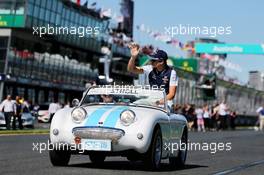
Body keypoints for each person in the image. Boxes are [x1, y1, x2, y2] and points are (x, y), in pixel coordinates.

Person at [127, 43, 178, 107]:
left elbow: (171, 95)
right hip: (151, 99)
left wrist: (158, 102)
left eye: (153, 60)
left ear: (161, 62)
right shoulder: (149, 68)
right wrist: (133, 57)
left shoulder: (172, 73)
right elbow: (131, 69)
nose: (151, 62)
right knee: (133, 105)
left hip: (165, 101)